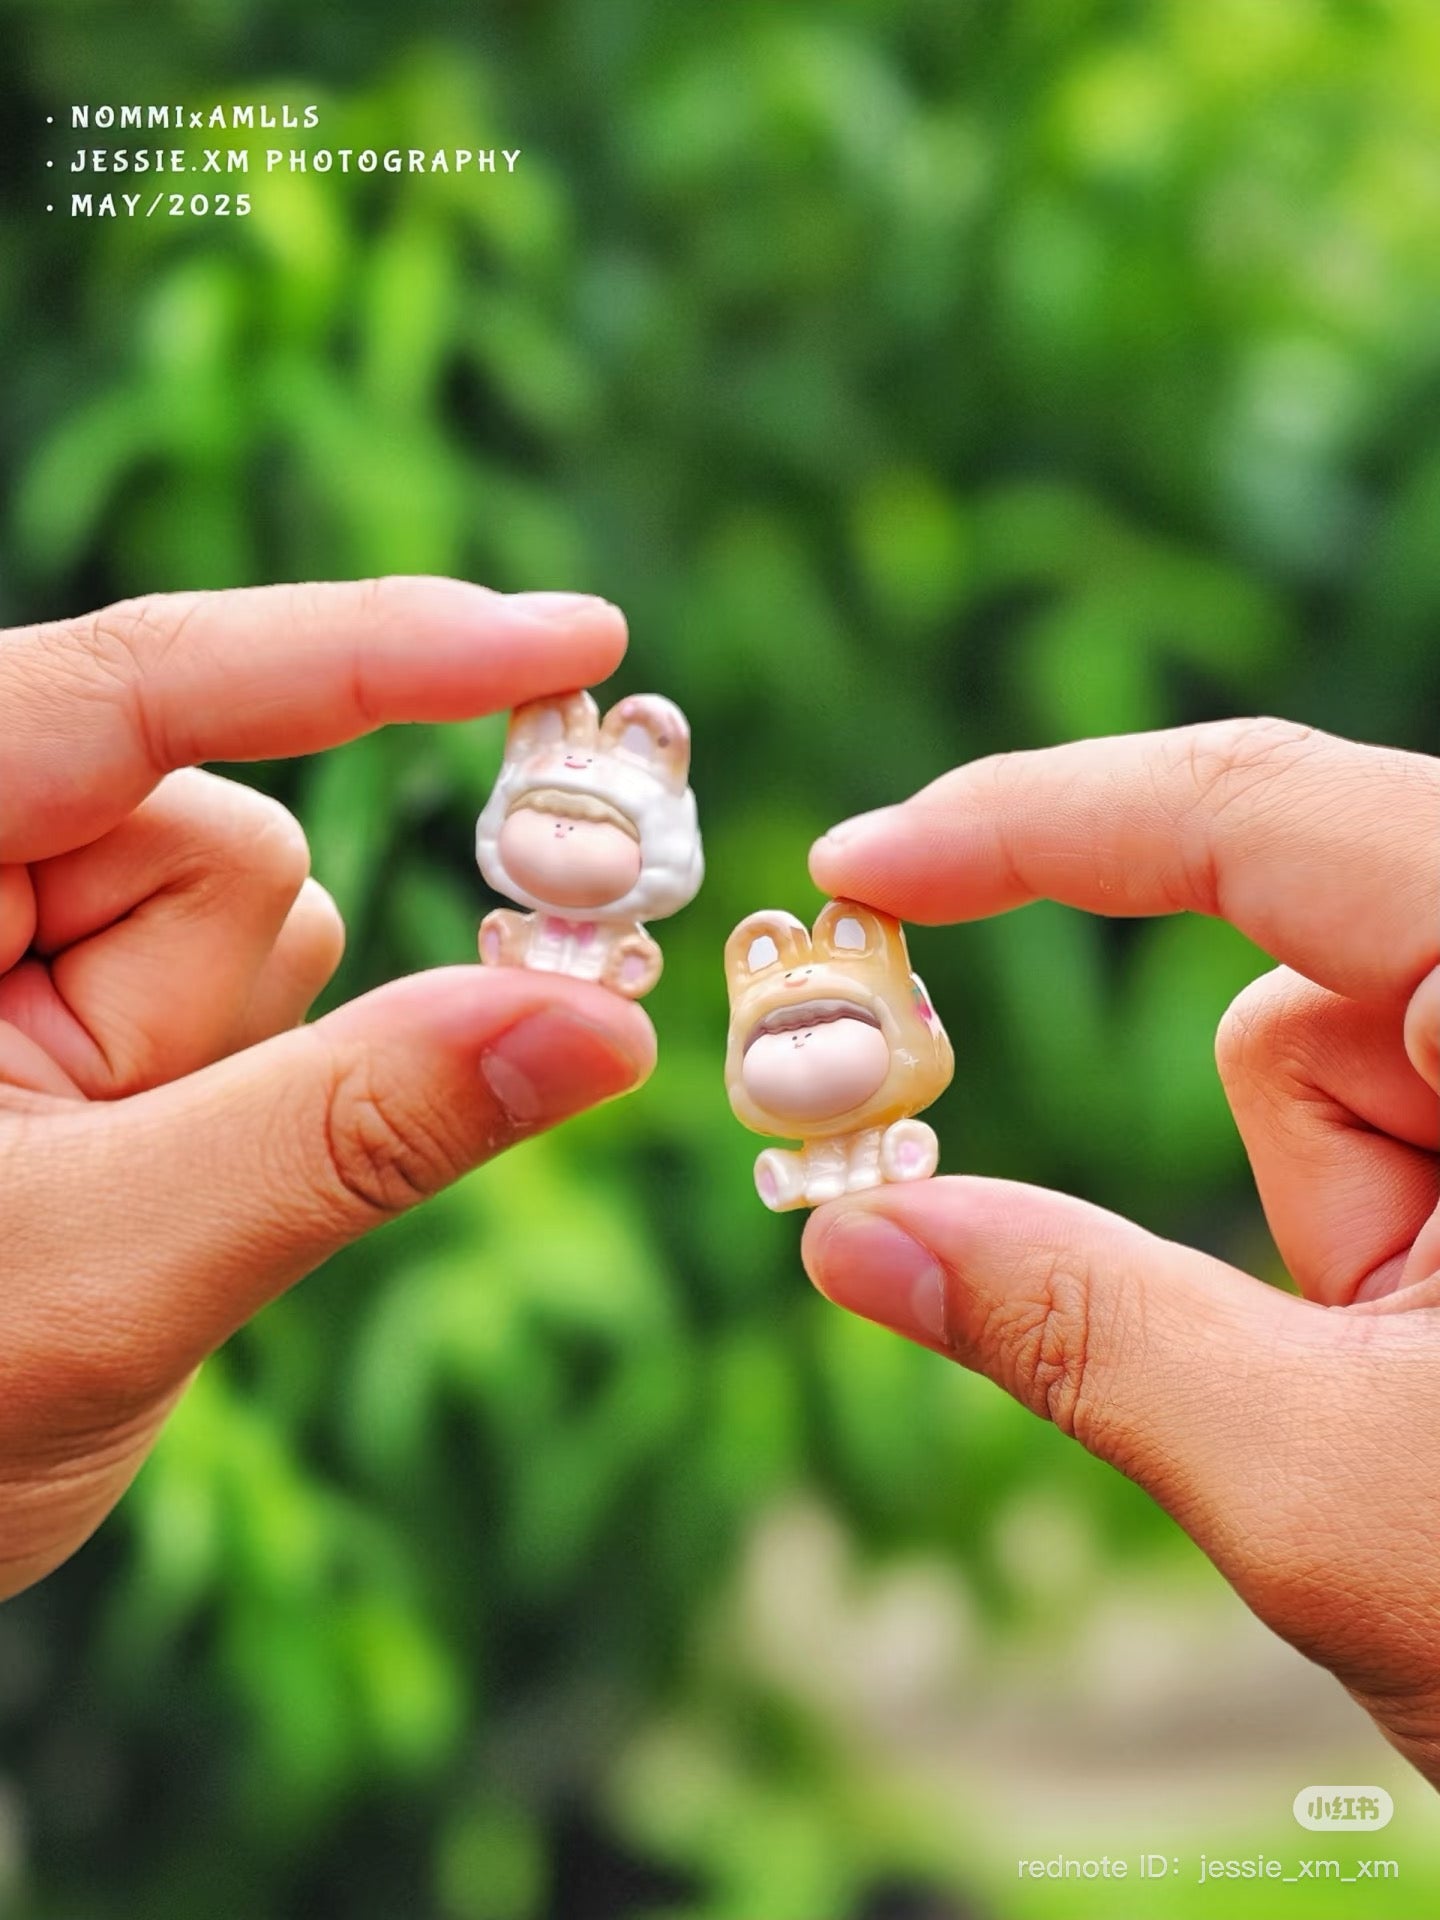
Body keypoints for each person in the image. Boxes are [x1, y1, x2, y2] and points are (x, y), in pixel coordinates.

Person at [2, 583, 1437, 1785]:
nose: (571, 847)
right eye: (552, 825)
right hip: (587, 994)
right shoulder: (618, 928)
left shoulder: (817, 1017)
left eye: (600, 833)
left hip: (844, 1133)